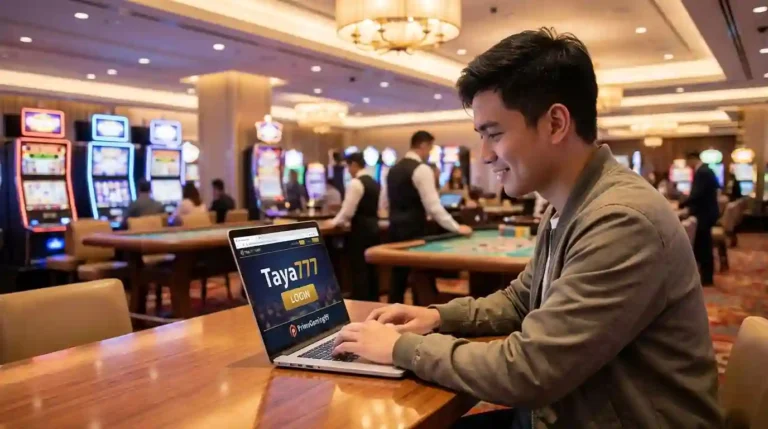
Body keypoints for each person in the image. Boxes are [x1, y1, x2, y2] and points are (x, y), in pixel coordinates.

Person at [332, 29, 720, 428]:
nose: (485, 155)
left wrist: (403, 348)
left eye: (494, 134)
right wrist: (435, 317)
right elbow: (520, 302)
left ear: (555, 123)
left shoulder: (620, 219)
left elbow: (530, 371)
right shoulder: (567, 206)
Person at [385, 131, 473, 304]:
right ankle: (422, 314)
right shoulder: (422, 169)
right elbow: (433, 207)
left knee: (397, 280)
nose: (430, 153)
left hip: (394, 229)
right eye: (430, 148)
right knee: (422, 280)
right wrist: (457, 227)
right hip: (414, 231)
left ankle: (390, 314)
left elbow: (385, 202)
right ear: (423, 145)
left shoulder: (393, 169)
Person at [323, 152, 381, 301]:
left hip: (361, 230)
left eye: (348, 167)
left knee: (360, 269)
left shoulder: (356, 183)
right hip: (374, 228)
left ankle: (360, 301)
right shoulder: (374, 182)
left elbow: (347, 212)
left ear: (354, 165)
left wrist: (333, 222)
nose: (348, 171)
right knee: (371, 269)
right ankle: (373, 301)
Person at [679, 151, 721, 286]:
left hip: (704, 215)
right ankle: (705, 276)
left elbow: (697, 194)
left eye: (687, 162)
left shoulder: (702, 172)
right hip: (707, 213)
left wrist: (682, 203)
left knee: (704, 246)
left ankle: (707, 277)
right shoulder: (706, 170)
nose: (688, 165)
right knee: (703, 245)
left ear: (692, 159)